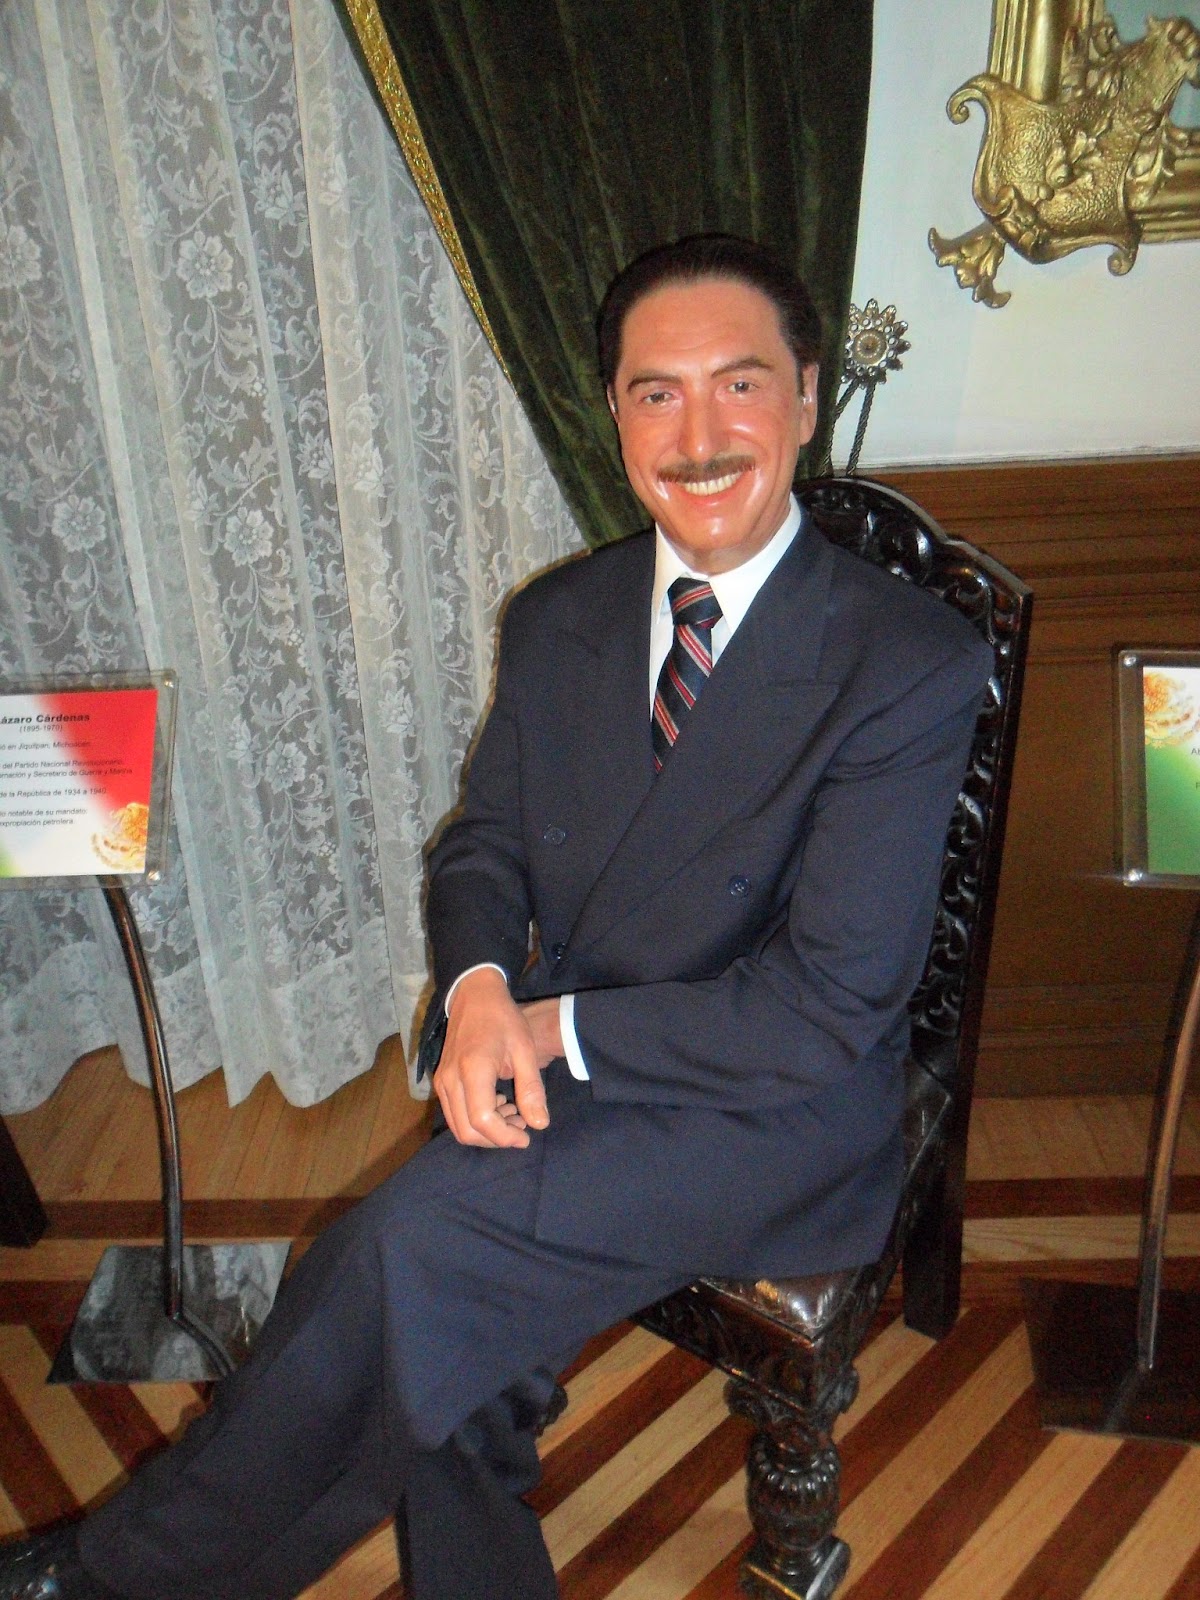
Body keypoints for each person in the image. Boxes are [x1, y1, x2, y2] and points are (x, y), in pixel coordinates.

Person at [0, 235, 993, 1600]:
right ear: (614, 416)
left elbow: (824, 1010)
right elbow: (484, 846)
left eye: (741, 384)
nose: (699, 437)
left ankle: (113, 1576)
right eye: (656, 393)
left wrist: (550, 1031)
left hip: (768, 1112)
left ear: (809, 395)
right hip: (567, 1057)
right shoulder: (561, 617)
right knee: (436, 1337)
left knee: (400, 1255)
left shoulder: (905, 660)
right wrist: (475, 991)